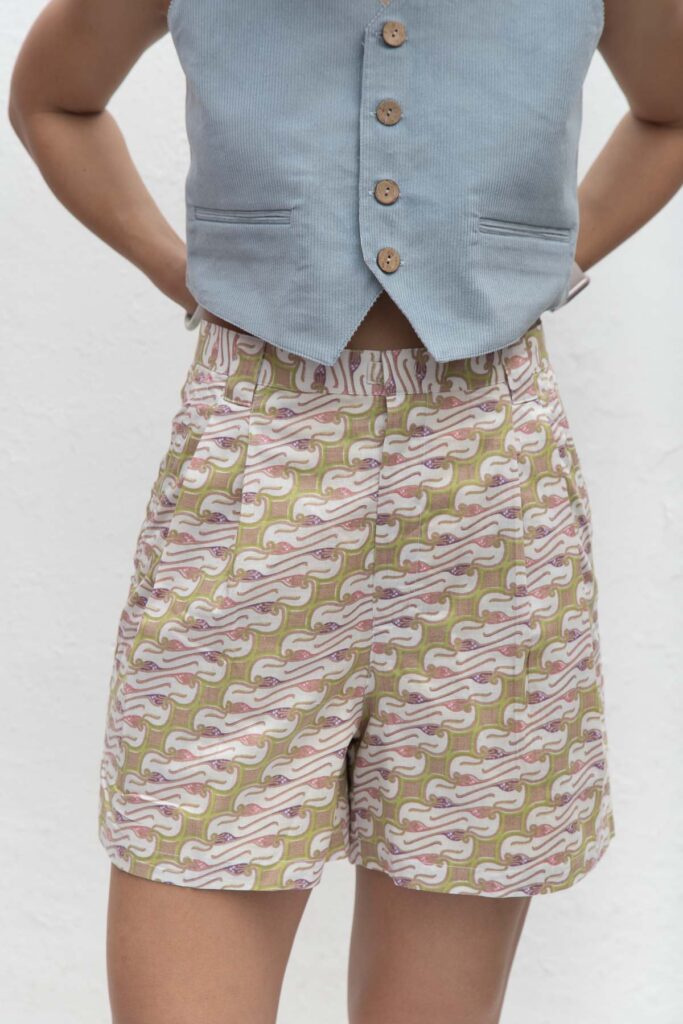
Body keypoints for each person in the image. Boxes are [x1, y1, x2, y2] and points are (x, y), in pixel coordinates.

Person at [7, 2, 682, 1022]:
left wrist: (534, 262)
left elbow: (667, 108)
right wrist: (175, 268)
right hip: (252, 456)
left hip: (490, 485)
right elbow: (53, 99)